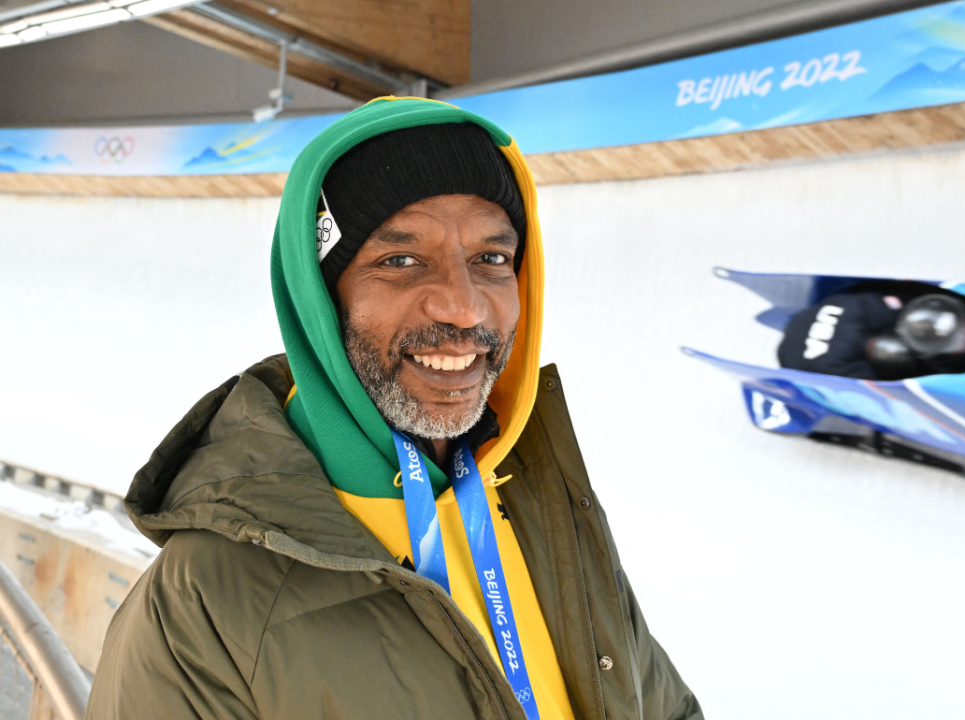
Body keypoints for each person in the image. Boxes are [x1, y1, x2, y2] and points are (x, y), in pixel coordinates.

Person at [85, 98, 702, 720]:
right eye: (400, 261)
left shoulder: (544, 500)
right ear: (322, 302)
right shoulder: (203, 608)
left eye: (491, 259)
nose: (464, 307)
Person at [778, 289, 965, 381]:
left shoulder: (859, 309)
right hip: (794, 359)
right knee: (897, 358)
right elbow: (871, 388)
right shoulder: (836, 366)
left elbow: (903, 308)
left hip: (827, 312)